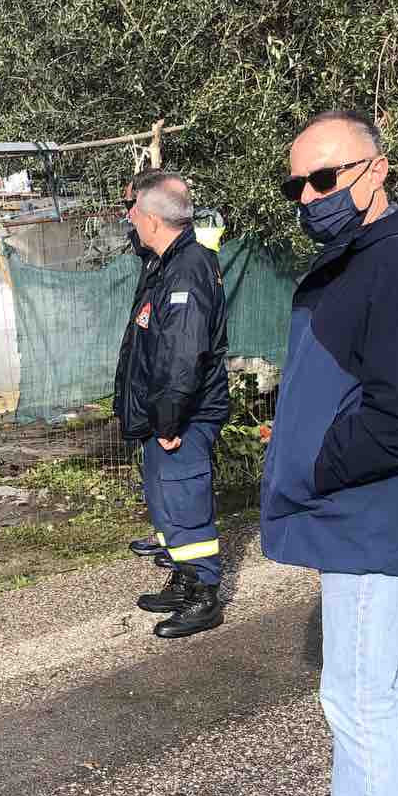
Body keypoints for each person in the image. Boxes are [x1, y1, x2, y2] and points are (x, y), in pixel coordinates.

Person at [263, 110, 398, 796]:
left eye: (324, 178)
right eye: (297, 186)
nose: (310, 196)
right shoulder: (364, 255)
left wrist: (316, 466)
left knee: (354, 687)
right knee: (387, 672)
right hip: (362, 508)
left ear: (376, 170)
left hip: (366, 511)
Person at [112, 170, 230, 638]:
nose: (129, 220)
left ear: (152, 219)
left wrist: (168, 419)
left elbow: (183, 355)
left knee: (185, 503)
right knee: (167, 500)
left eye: (133, 212)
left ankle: (204, 595)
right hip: (164, 413)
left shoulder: (187, 268)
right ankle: (183, 580)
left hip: (182, 415)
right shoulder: (165, 262)